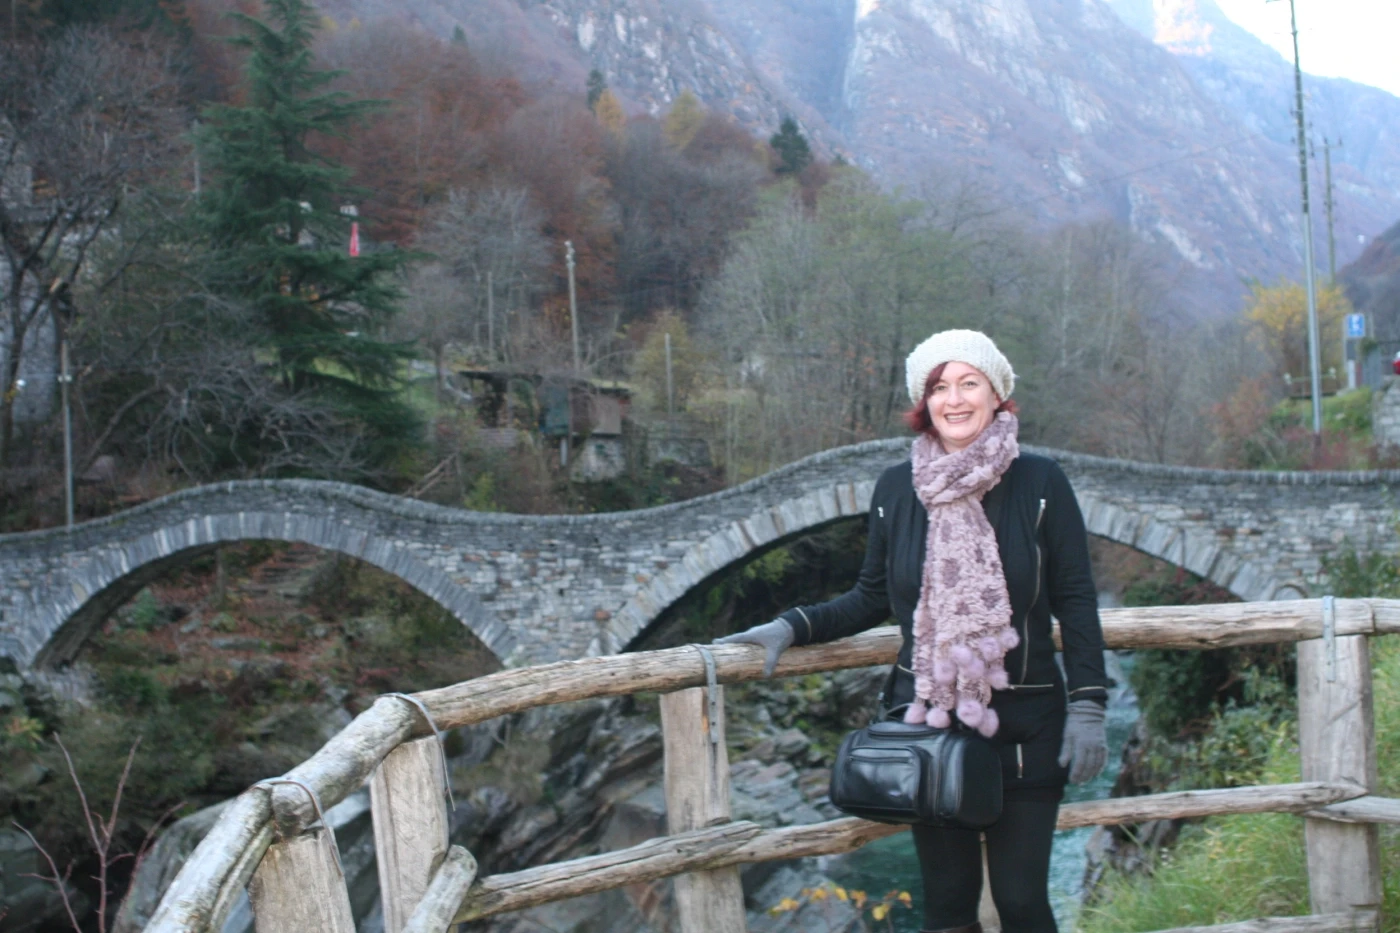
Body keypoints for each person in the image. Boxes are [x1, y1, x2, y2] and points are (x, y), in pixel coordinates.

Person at [716, 329, 1110, 933]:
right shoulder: (897, 489)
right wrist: (791, 626)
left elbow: (1077, 601)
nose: (954, 399)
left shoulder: (1041, 483)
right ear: (923, 403)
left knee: (1022, 902)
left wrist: (1088, 706)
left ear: (997, 394)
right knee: (949, 908)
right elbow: (872, 596)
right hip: (931, 724)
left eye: (968, 383)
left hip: (1030, 728)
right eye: (939, 388)